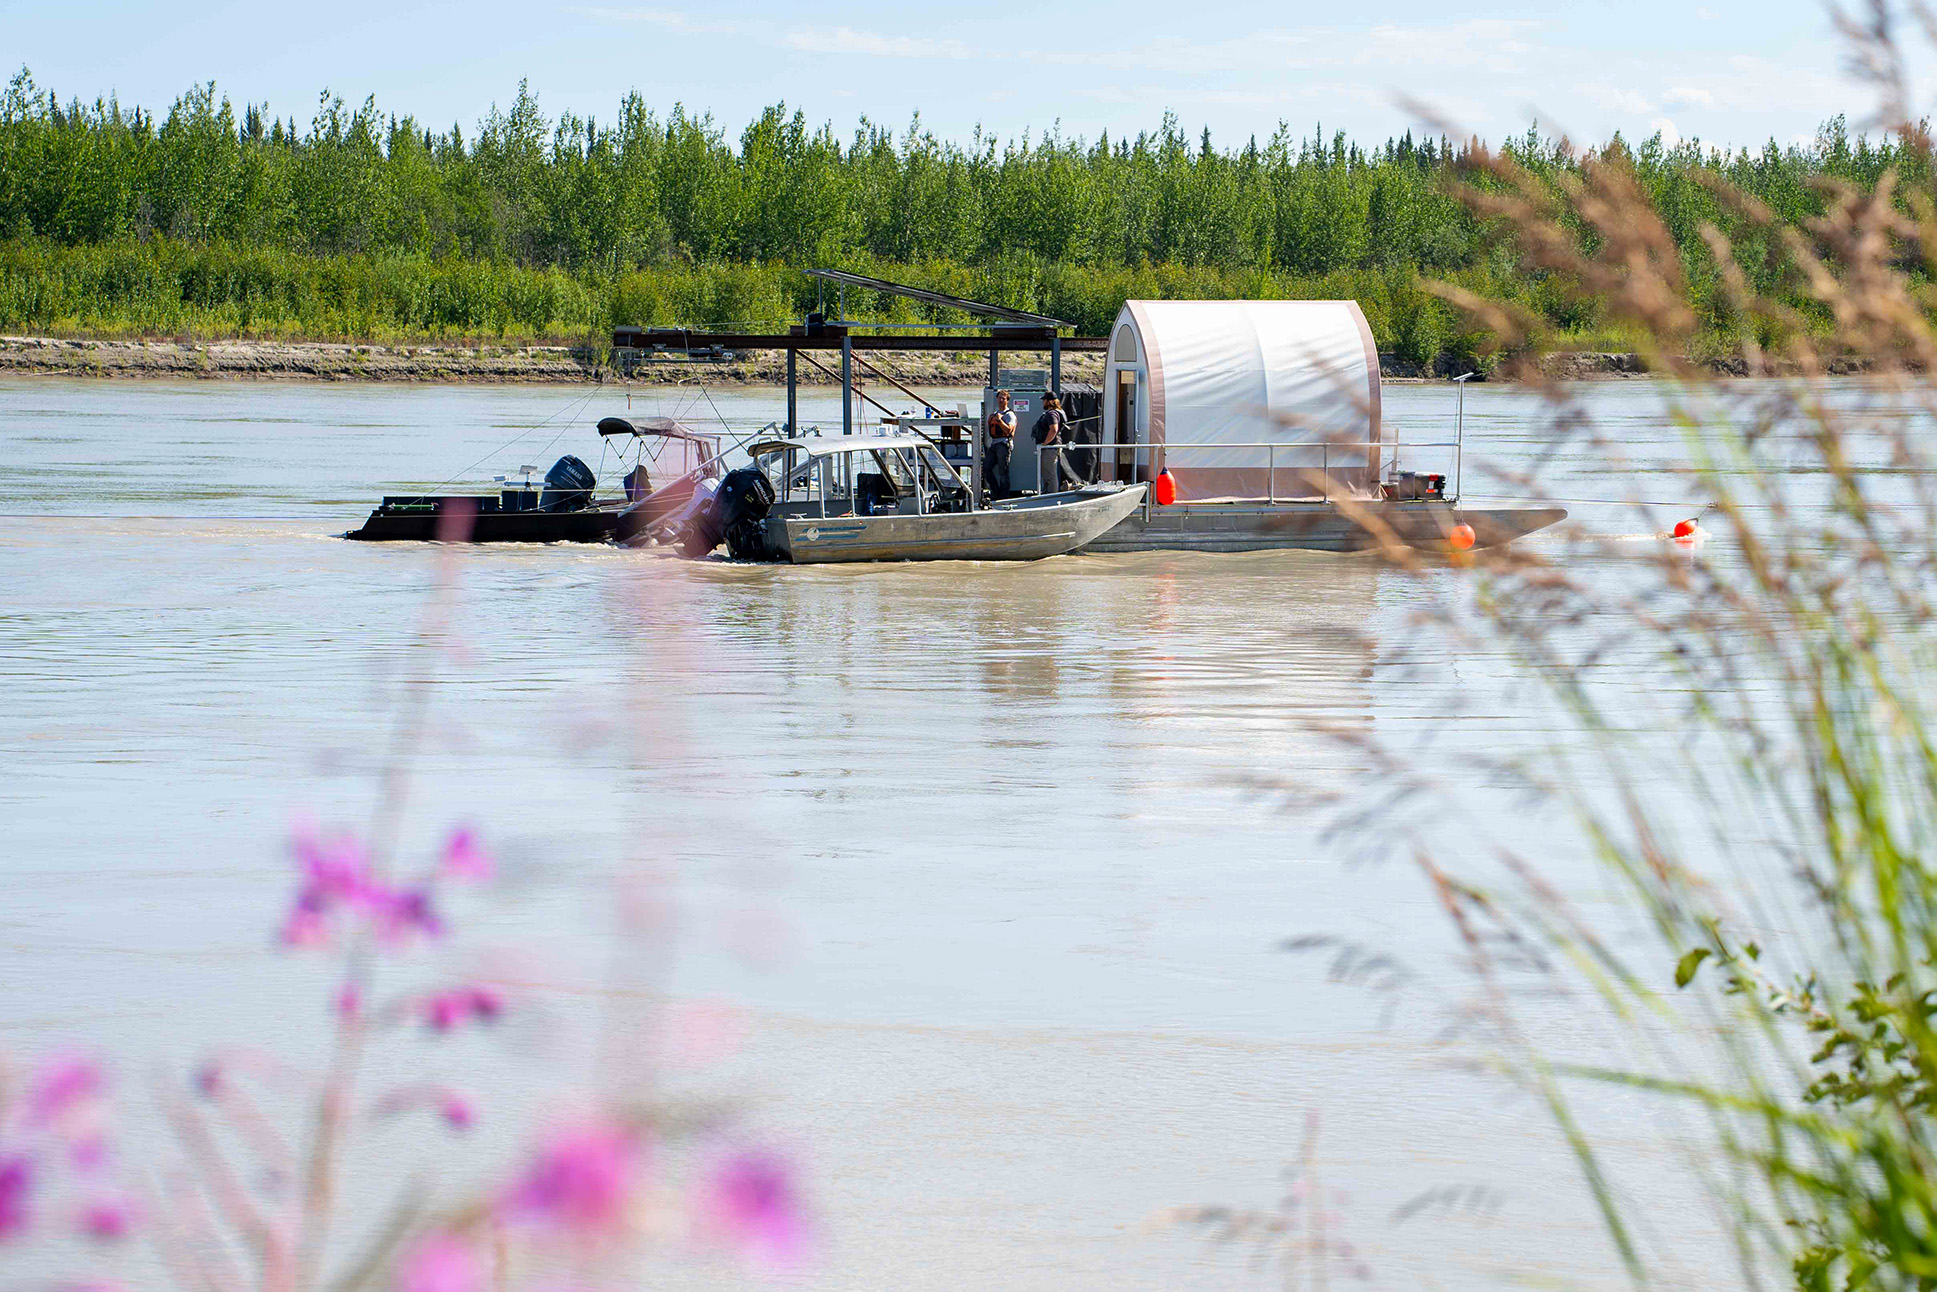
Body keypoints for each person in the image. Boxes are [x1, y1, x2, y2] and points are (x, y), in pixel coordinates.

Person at [1031, 394, 1072, 492]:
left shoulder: (1052, 414)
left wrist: (1045, 443)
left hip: (1050, 448)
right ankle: (1047, 493)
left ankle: (1052, 496)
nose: (1043, 402)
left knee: (1050, 474)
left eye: (1044, 400)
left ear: (1049, 401)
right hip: (1050, 447)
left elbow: (1053, 429)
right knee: (1046, 474)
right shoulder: (1054, 413)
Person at [984, 389, 1017, 498]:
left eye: (1004, 398)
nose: (1001, 400)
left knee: (1003, 472)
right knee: (986, 469)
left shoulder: (1010, 415)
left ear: (1007, 401)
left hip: (1004, 444)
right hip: (994, 444)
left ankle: (1004, 496)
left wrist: (999, 421)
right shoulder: (994, 414)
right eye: (999, 398)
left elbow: (1009, 430)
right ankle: (995, 491)